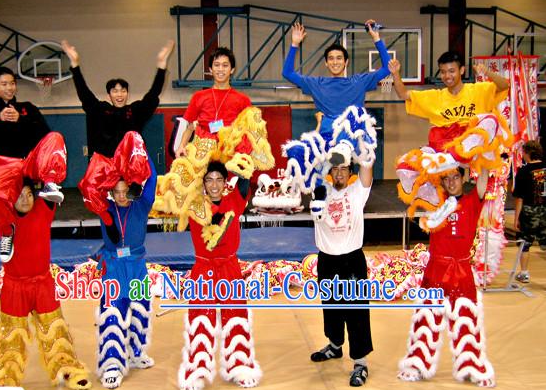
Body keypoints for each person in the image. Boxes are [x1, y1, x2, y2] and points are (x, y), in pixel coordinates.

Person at [154, 47, 274, 244]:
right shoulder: (199, 97)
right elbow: (189, 126)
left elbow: (250, 128)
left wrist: (255, 152)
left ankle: (228, 219)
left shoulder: (242, 100)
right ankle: (204, 222)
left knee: (239, 185)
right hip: (204, 148)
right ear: (210, 69)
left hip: (230, 151)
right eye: (216, 65)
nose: (220, 69)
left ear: (232, 69)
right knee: (192, 186)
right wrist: (182, 146)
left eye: (225, 65)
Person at [397, 166, 496, 388]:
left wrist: (486, 155)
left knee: (466, 320)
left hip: (461, 271)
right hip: (435, 270)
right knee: (425, 317)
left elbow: (483, 178)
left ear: (463, 178)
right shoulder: (435, 200)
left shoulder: (472, 201)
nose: (451, 182)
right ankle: (417, 364)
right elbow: (408, 182)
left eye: (455, 177)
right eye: (446, 178)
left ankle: (471, 365)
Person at [389, 52, 512, 230]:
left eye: (452, 71)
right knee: (403, 165)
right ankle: (434, 198)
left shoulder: (478, 90)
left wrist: (488, 73)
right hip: (441, 150)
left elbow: (504, 85)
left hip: (468, 148)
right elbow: (403, 94)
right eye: (443, 72)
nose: (447, 76)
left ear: (462, 70)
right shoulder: (435, 96)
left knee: (490, 119)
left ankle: (456, 154)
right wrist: (395, 73)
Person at [61, 39, 173, 226]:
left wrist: (161, 66)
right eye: (115, 91)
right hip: (106, 163)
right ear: (109, 95)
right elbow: (84, 93)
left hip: (128, 164)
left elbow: (152, 94)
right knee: (87, 188)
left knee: (133, 136)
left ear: (127, 94)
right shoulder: (101, 109)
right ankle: (107, 219)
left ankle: (136, 184)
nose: (119, 94)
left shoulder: (134, 111)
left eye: (123, 91)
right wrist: (75, 65)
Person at [0, 182, 90, 390]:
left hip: (42, 283)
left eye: (29, 194)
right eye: (20, 195)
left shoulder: (44, 209)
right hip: (14, 286)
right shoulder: (3, 217)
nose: (25, 199)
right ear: (10, 198)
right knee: (11, 336)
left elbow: (46, 174)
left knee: (55, 331)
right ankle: (6, 378)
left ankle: (67, 369)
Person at [178, 161, 261, 390]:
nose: (214, 184)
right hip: (203, 269)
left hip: (229, 267)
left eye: (219, 179)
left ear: (225, 182)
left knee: (236, 315)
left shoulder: (234, 200)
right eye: (209, 179)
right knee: (200, 319)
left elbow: (246, 173)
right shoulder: (194, 204)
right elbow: (185, 176)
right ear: (203, 183)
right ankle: (196, 369)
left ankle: (240, 365)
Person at [281, 21, 389, 195]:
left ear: (346, 62)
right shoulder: (316, 83)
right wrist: (294, 44)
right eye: (331, 58)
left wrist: (376, 38)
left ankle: (345, 152)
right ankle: (316, 198)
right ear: (325, 63)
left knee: (357, 116)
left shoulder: (359, 81)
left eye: (339, 58)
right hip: (327, 139)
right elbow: (287, 73)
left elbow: (386, 69)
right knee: (303, 156)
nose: (335, 62)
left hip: (352, 138)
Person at [0, 66, 67, 263]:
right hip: (3, 163)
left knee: (56, 137)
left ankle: (50, 182)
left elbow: (45, 136)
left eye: (12, 83)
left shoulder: (28, 109)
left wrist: (21, 120)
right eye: (4, 84)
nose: (9, 88)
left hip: (30, 160)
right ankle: (6, 232)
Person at [308, 150, 374, 387]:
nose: (339, 173)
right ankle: (335, 346)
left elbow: (367, 168)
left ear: (349, 172)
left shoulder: (358, 192)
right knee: (331, 309)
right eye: (334, 169)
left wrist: (363, 143)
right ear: (329, 172)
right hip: (327, 260)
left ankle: (361, 362)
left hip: (352, 260)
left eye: (343, 168)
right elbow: (311, 166)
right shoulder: (320, 192)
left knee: (356, 313)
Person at [95, 157, 157, 389]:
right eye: (116, 191)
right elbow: (90, 184)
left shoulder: (141, 206)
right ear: (111, 191)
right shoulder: (104, 207)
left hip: (137, 266)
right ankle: (112, 364)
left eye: (125, 191)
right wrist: (112, 164)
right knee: (112, 313)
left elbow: (152, 179)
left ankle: (136, 351)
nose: (121, 196)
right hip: (113, 267)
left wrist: (140, 152)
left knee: (141, 309)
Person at [513, 140, 545, 283]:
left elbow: (519, 198)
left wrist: (516, 218)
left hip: (529, 211)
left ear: (528, 153)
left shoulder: (524, 171)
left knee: (525, 243)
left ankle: (524, 274)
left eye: (524, 152)